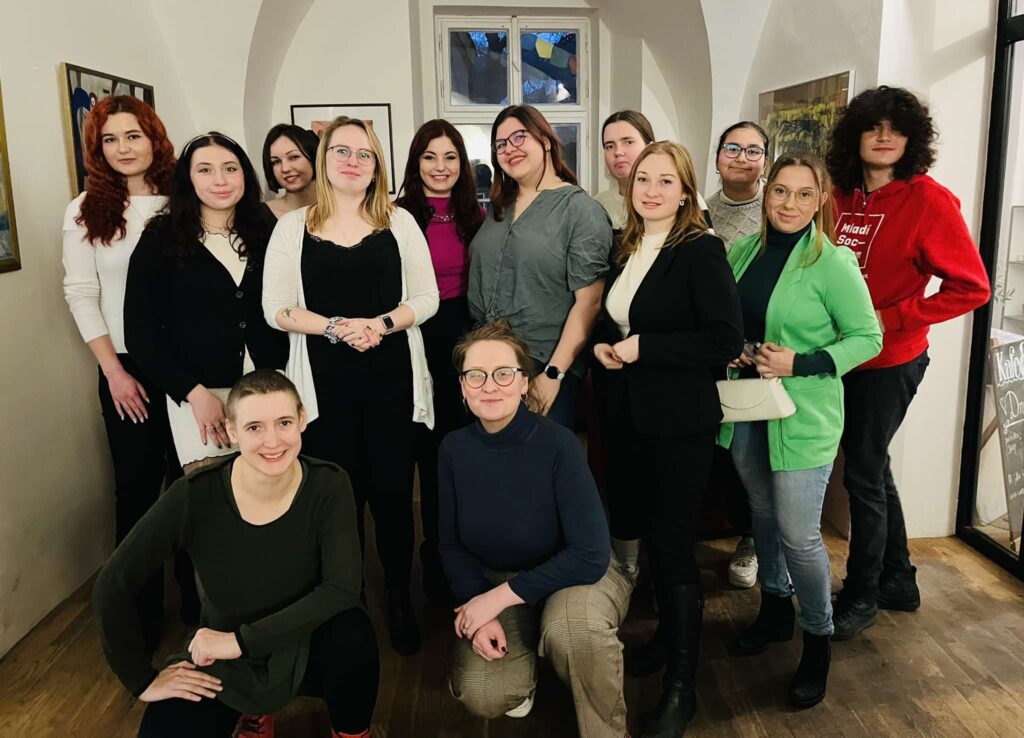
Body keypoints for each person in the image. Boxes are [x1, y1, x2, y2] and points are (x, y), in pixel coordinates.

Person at [93, 369, 379, 738]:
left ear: (302, 420)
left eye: (284, 422)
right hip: (225, 656)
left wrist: (241, 642)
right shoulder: (195, 494)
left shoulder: (329, 483)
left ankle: (351, 732)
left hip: (306, 638)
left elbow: (341, 588)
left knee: (353, 636)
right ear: (231, 430)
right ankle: (255, 709)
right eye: (254, 427)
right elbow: (114, 582)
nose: (272, 441)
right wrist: (141, 680)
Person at [263, 115, 439, 657]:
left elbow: (427, 299)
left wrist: (380, 324)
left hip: (392, 382)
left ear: (377, 166)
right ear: (324, 159)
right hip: (323, 387)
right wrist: (336, 327)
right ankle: (350, 603)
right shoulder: (292, 228)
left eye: (365, 154)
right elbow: (276, 309)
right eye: (342, 151)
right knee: (340, 500)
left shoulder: (399, 222)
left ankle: (399, 598)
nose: (353, 161)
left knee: (393, 496)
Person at [826, 86, 990, 640]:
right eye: (873, 126)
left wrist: (892, 317)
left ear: (911, 139)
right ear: (855, 135)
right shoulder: (837, 195)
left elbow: (972, 287)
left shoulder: (928, 201)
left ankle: (862, 594)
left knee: (862, 472)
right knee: (870, 467)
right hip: (837, 357)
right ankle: (898, 580)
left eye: (896, 128)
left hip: (890, 359)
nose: (884, 136)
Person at [720, 154, 882, 709]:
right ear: (766, 195)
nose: (789, 204)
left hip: (804, 416)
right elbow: (733, 320)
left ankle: (817, 638)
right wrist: (737, 349)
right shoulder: (745, 250)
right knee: (762, 515)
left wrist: (801, 362)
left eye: (803, 194)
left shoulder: (833, 262)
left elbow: (868, 338)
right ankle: (773, 610)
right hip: (749, 408)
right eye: (780, 192)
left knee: (799, 534)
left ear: (820, 201)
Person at [592, 141, 743, 737]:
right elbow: (620, 318)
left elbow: (724, 339)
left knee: (675, 549)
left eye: (665, 181)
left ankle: (683, 687)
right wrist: (608, 346)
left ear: (685, 192)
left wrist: (645, 349)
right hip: (627, 416)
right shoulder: (627, 245)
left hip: (679, 422)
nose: (651, 190)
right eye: (642, 180)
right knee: (651, 536)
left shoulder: (701, 249)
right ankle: (663, 640)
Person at [440, 321, 630, 738]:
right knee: (483, 692)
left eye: (503, 373)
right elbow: (451, 544)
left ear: (524, 382)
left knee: (572, 632)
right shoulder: (453, 449)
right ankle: (524, 671)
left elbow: (590, 555)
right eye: (476, 375)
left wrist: (495, 600)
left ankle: (607, 731)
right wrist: (479, 607)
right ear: (463, 387)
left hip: (577, 577)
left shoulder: (559, 444)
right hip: (500, 579)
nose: (490, 386)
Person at [62, 95, 179, 644]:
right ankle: (138, 615)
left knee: (195, 483)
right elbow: (81, 294)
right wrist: (113, 371)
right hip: (126, 370)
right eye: (110, 139)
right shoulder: (85, 209)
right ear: (97, 149)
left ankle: (201, 601)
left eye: (133, 135)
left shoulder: (184, 200)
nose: (123, 148)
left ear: (154, 138)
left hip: (187, 367)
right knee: (136, 490)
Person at [125, 132, 288, 473]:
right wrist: (195, 394)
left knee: (274, 490)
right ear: (188, 179)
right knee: (212, 493)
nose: (220, 180)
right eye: (205, 170)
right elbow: (140, 336)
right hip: (201, 397)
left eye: (230, 168)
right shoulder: (161, 237)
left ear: (245, 174)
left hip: (271, 391)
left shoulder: (267, 229)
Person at [468, 104, 612, 428]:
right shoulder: (499, 208)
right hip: (487, 357)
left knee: (538, 455)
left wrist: (553, 374)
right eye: (501, 144)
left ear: (545, 141)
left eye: (519, 137)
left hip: (542, 363)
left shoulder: (580, 209)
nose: (509, 149)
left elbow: (589, 304)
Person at [395, 119, 484, 606]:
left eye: (450, 156)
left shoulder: (478, 216)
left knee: (458, 454)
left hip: (462, 342)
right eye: (429, 157)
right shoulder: (395, 216)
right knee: (424, 454)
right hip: (411, 340)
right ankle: (430, 557)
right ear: (416, 163)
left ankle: (461, 555)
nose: (440, 166)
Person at [705, 121, 771, 590]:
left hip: (762, 354)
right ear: (717, 157)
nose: (741, 158)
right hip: (713, 351)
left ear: (765, 159)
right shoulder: (701, 210)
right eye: (732, 148)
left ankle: (755, 540)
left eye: (753, 150)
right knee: (722, 455)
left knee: (755, 456)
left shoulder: (776, 209)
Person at [594, 110, 713, 233]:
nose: (618, 152)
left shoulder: (682, 198)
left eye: (628, 142)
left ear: (650, 147)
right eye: (609, 146)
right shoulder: (597, 205)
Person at [261, 124, 319, 219]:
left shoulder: (340, 207)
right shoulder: (258, 215)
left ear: (313, 157)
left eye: (294, 157)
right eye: (276, 162)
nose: (285, 169)